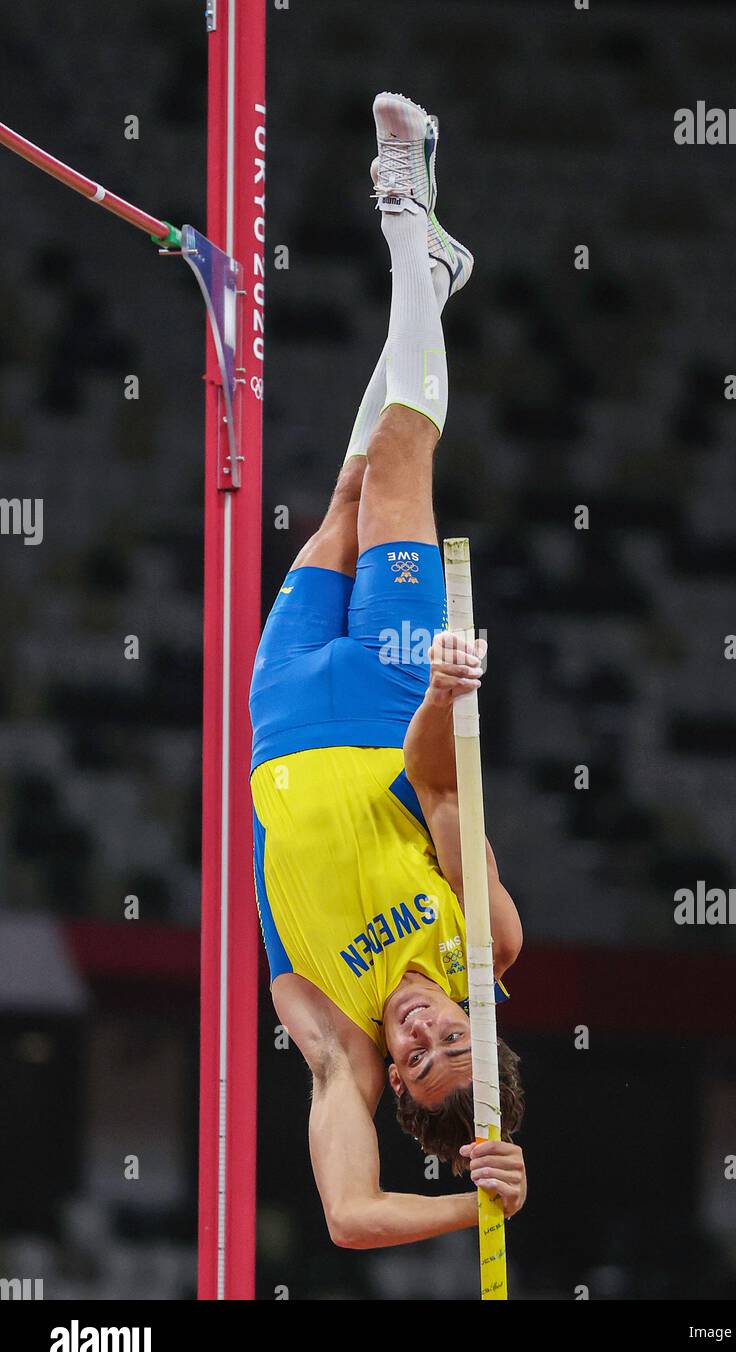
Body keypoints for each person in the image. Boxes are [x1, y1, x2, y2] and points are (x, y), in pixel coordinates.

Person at [249, 93, 526, 1250]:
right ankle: (403, 206)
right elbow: (440, 786)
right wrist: (445, 696)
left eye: (416, 1063)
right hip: (384, 703)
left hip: (279, 718)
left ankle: (435, 272)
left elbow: (352, 1216)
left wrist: (474, 1204)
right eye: (449, 1040)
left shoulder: (335, 1046)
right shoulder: (484, 940)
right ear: (482, 1024)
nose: (417, 1035)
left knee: (350, 496)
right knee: (407, 456)